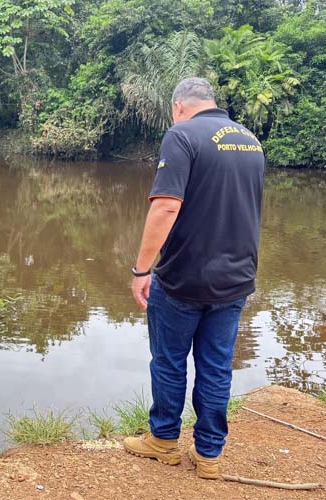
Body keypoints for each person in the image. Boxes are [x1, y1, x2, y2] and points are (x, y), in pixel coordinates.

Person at [123, 77, 265, 479]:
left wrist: (142, 269)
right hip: (236, 278)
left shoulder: (181, 135)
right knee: (217, 366)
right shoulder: (250, 140)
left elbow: (166, 207)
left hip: (184, 278)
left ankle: (164, 442)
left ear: (178, 106)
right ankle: (209, 456)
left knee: (169, 362)